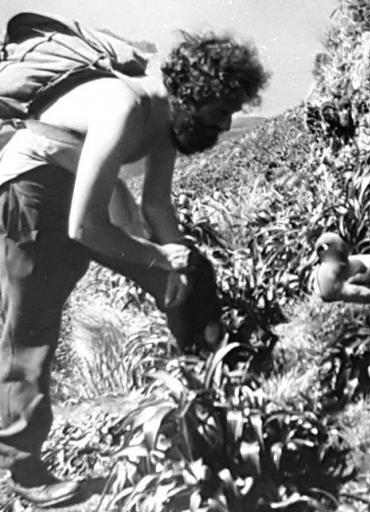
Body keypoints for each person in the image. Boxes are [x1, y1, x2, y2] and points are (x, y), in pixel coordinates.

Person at [0, 27, 269, 507]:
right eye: (220, 111)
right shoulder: (123, 106)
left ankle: (206, 385)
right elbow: (85, 227)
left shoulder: (170, 120)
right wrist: (154, 255)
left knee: (187, 276)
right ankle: (23, 469)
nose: (225, 124)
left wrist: (180, 264)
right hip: (33, 190)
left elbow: (158, 209)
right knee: (31, 329)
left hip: (81, 187)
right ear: (191, 96)